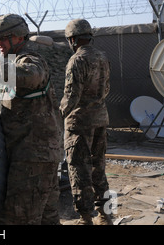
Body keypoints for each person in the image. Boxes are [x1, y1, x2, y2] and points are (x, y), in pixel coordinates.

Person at [0, 13, 63, 225]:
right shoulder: (12, 62)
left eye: (3, 38)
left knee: (20, 217)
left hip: (33, 157)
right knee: (47, 218)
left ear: (19, 37)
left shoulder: (30, 59)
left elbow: (32, 75)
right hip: (33, 154)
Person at [59, 18, 112, 225]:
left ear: (72, 40)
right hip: (100, 118)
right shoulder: (103, 57)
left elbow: (71, 95)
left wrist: (58, 113)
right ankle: (105, 215)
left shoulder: (77, 60)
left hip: (79, 123)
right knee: (99, 168)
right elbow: (106, 89)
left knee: (79, 169)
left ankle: (85, 218)